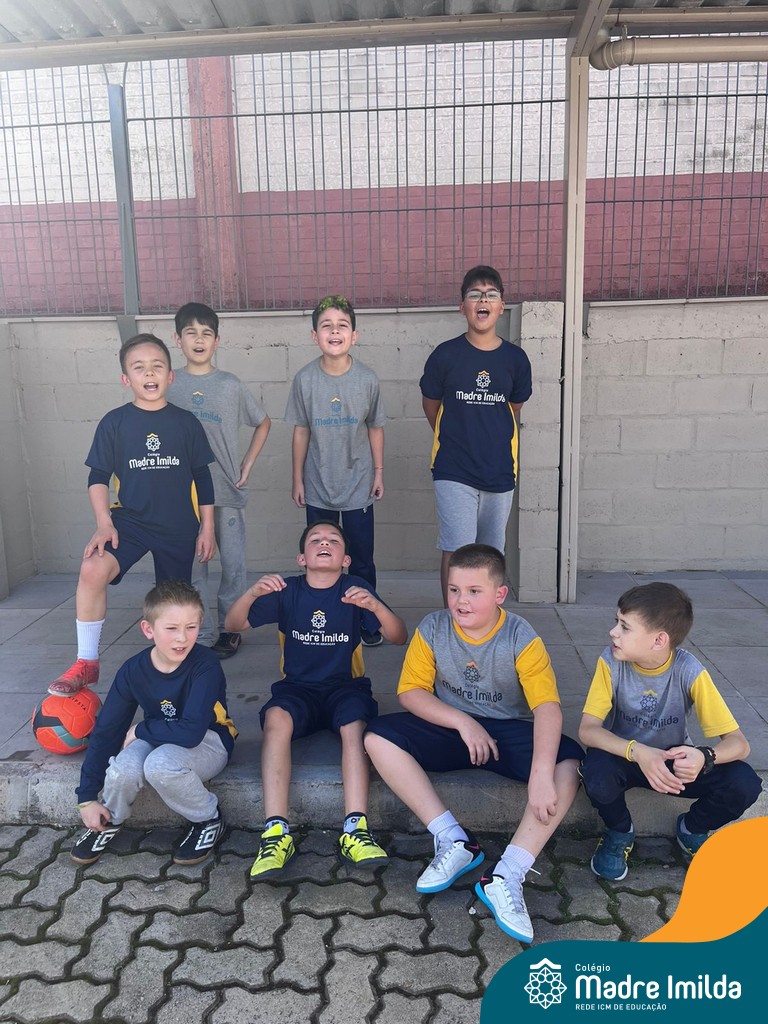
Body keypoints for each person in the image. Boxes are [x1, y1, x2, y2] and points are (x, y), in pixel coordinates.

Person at [364, 544, 582, 943]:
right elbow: (410, 692)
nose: (460, 601)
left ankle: (507, 873)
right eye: (454, 590)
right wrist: (463, 722)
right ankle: (454, 839)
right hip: (453, 728)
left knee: (568, 764)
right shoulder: (433, 627)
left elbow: (548, 708)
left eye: (474, 591)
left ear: (500, 594)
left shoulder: (520, 636)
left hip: (506, 731)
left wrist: (540, 776)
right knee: (378, 737)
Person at [224, 520, 407, 878]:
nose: (325, 543)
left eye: (334, 540)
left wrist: (376, 607)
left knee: (354, 726)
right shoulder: (287, 591)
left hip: (345, 687)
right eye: (316, 540)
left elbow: (399, 636)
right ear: (301, 558)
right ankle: (276, 832)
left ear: (346, 560)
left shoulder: (355, 589)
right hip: (298, 688)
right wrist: (251, 593)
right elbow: (233, 625)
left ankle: (355, 829)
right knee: (276, 720)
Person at [49, 334, 216, 697]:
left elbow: (203, 478)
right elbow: (97, 476)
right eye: (139, 368)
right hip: (131, 521)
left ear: (170, 375)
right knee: (92, 568)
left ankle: (178, 674)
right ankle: (86, 661)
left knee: (173, 607)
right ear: (126, 379)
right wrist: (103, 523)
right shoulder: (115, 423)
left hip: (177, 526)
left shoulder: (186, 423)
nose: (149, 373)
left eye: (157, 366)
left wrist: (208, 528)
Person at [579, 582, 762, 881]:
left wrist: (704, 756)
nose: (613, 632)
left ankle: (692, 829)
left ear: (659, 640)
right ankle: (619, 832)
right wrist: (638, 752)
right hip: (629, 757)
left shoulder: (689, 670)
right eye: (616, 622)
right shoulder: (610, 661)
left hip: (674, 766)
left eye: (625, 627)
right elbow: (588, 730)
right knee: (595, 770)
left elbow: (739, 744)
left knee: (745, 782)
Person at [70, 580, 237, 866]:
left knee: (159, 765)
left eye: (191, 627)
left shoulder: (206, 664)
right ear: (149, 629)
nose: (182, 638)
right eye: (171, 628)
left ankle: (208, 819)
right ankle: (107, 819)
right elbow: (107, 731)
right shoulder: (133, 670)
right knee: (123, 767)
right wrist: (86, 797)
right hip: (159, 736)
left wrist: (140, 729)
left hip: (209, 739)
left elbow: (191, 732)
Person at [420, 266, 532, 606]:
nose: (483, 300)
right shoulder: (445, 355)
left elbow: (513, 408)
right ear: (463, 307)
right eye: (475, 295)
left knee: (490, 553)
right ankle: (453, 620)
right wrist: (458, 436)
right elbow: (431, 406)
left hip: (499, 471)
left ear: (501, 307)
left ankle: (483, 618)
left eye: (491, 295)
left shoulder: (515, 359)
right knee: (457, 550)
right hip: (453, 469)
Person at [170, 302, 271, 660]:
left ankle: (230, 628)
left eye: (206, 333)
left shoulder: (230, 385)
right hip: (183, 496)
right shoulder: (168, 383)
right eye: (191, 333)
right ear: (177, 339)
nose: (199, 340)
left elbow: (263, 422)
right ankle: (201, 632)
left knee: (233, 565)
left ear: (217, 341)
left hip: (226, 489)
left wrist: (247, 464)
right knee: (194, 568)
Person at [286, 295, 386, 646]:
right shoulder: (304, 379)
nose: (334, 331)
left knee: (361, 560)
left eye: (342, 325)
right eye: (326, 326)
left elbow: (375, 428)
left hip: (358, 484)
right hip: (318, 484)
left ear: (354, 335)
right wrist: (297, 478)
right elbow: (301, 430)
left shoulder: (368, 379)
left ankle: (367, 621)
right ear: (314, 335)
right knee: (321, 560)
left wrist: (378, 471)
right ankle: (327, 619)